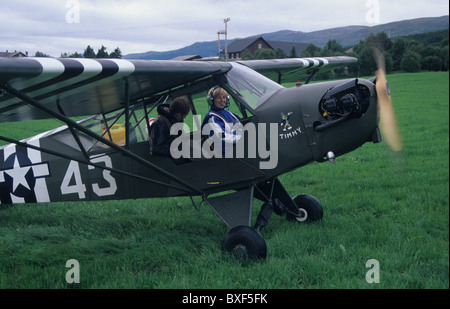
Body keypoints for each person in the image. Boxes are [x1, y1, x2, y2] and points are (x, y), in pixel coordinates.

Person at [202, 86, 243, 154]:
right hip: (228, 153)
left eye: (224, 97)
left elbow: (240, 127)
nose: (222, 100)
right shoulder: (212, 118)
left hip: (237, 147)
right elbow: (222, 136)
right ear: (211, 100)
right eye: (218, 98)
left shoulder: (230, 114)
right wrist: (242, 138)